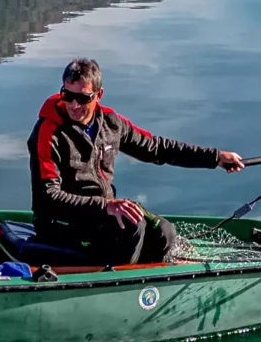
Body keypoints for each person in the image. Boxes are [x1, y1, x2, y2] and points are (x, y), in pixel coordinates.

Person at [25, 58, 242, 266]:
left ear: (98, 95)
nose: (73, 105)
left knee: (164, 231)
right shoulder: (48, 132)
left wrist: (215, 157)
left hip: (101, 215)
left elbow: (157, 148)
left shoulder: (112, 124)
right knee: (132, 226)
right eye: (67, 96)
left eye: (82, 98)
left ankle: (151, 283)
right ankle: (116, 287)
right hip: (60, 221)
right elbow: (49, 196)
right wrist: (106, 205)